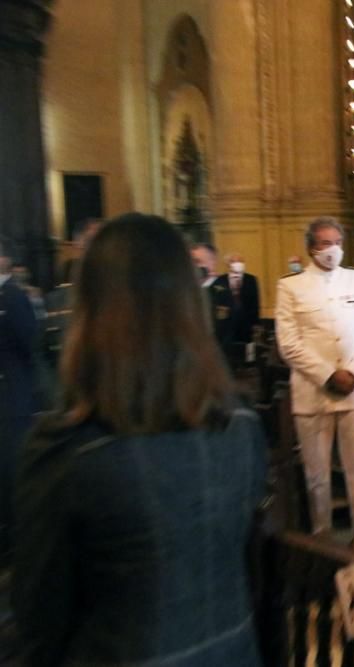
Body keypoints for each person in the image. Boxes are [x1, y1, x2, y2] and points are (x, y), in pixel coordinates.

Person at [13, 214, 266, 666]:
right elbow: (253, 572)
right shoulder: (241, 427)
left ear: (89, 313)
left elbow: (39, 622)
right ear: (192, 307)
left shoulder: (68, 453)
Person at [275, 217, 354, 560]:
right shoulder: (291, 287)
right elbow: (289, 343)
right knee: (317, 475)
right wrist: (328, 374)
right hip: (313, 393)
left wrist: (352, 372)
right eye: (324, 243)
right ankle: (322, 541)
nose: (332, 249)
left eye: (336, 241)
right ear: (311, 247)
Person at [0, 245, 37, 557]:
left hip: (12, 397)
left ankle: (17, 539)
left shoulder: (12, 296)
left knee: (12, 468)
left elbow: (29, 342)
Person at [212, 253, 261, 365]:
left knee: (248, 344)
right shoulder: (220, 280)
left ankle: (249, 363)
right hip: (227, 320)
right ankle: (229, 364)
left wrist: (256, 322)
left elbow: (255, 300)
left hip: (247, 319)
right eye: (235, 261)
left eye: (241, 261)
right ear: (229, 264)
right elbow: (215, 300)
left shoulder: (251, 279)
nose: (239, 264)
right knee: (227, 345)